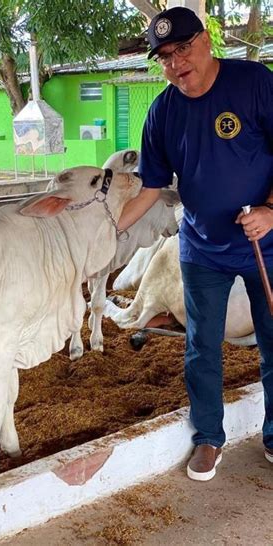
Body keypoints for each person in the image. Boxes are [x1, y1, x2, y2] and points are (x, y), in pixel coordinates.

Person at [118, 6, 273, 481]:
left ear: (206, 42)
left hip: (265, 244)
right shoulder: (162, 111)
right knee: (201, 348)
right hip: (202, 248)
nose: (175, 63)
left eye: (182, 48)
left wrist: (271, 211)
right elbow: (150, 187)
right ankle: (208, 438)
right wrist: (108, 233)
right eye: (164, 56)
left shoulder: (255, 83)